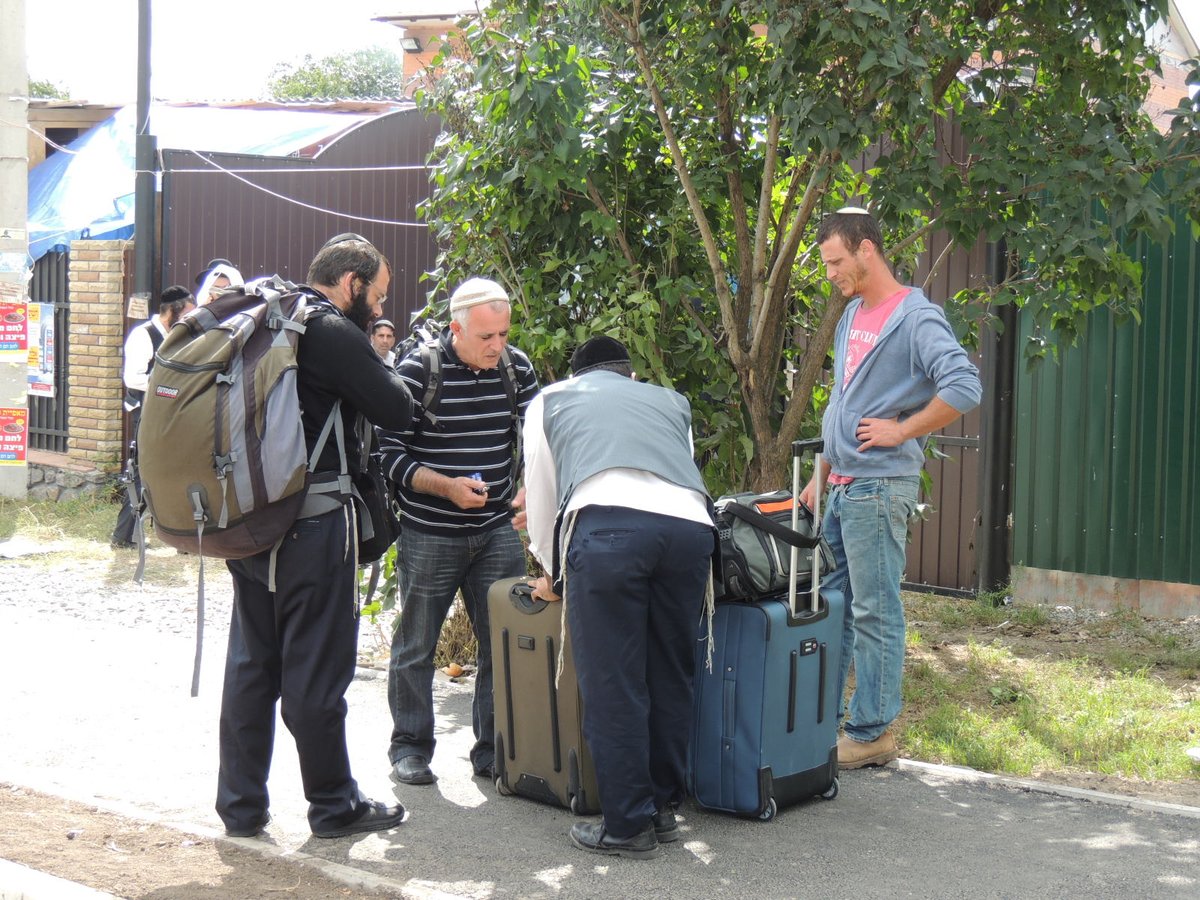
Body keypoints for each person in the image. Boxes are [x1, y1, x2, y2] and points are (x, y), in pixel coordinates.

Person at [216, 233, 413, 839]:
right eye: (377, 296)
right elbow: (398, 410)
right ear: (350, 282)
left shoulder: (267, 322)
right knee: (316, 671)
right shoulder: (329, 331)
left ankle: (241, 807)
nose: (380, 310)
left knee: (253, 665)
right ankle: (333, 805)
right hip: (315, 525)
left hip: (252, 519)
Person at [518, 336, 717, 860]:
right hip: (691, 530)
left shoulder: (553, 399)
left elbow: (542, 489)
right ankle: (661, 809)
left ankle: (627, 826)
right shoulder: (670, 401)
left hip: (607, 528)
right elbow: (680, 469)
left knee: (614, 681)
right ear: (630, 376)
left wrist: (551, 569)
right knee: (670, 671)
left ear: (575, 375)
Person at [799, 207, 982, 770]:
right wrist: (820, 473)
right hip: (843, 490)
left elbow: (965, 385)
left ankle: (873, 730)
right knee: (833, 607)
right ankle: (822, 725)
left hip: (879, 491)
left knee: (875, 613)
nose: (829, 272)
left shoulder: (916, 317)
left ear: (866, 250)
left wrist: (902, 429)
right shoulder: (853, 314)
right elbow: (840, 401)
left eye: (835, 261)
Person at [378, 277, 539, 787]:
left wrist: (533, 492)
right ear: (456, 328)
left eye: (504, 334)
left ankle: (491, 751)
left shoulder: (517, 368)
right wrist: (445, 487)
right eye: (487, 337)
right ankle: (409, 748)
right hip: (430, 532)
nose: (499, 346)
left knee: (503, 645)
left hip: (496, 531)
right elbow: (389, 456)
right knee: (416, 645)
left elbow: (541, 443)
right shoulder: (416, 370)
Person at [110, 285, 196, 549]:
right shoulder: (143, 335)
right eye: (185, 315)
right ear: (170, 311)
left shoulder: (182, 336)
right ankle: (124, 536)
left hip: (177, 415)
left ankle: (184, 540)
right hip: (148, 414)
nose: (188, 321)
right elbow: (133, 378)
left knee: (183, 472)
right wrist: (170, 385)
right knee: (142, 473)